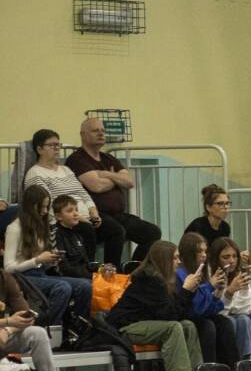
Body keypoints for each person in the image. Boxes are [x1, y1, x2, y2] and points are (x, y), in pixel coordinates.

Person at [106, 241, 208, 371]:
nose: (179, 262)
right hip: (127, 327)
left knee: (188, 325)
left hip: (146, 324)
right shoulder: (150, 280)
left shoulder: (163, 279)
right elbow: (169, 316)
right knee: (173, 327)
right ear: (164, 260)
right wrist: (186, 291)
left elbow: (177, 313)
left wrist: (189, 291)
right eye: (175, 258)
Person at [67, 116, 161, 267]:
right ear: (83, 135)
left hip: (118, 215)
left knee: (152, 232)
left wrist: (106, 174)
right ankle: (112, 273)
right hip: (96, 215)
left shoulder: (108, 158)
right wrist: (116, 178)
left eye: (103, 131)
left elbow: (129, 181)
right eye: (95, 130)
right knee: (117, 231)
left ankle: (133, 270)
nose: (101, 134)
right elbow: (96, 186)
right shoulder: (77, 159)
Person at [4, 185, 92, 331]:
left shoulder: (40, 226)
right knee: (62, 287)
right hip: (20, 277)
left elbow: (40, 263)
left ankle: (77, 329)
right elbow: (8, 268)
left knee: (86, 285)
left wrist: (50, 261)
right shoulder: (15, 228)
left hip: (39, 273)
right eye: (42, 207)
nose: (45, 211)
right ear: (32, 206)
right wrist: (38, 260)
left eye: (46, 207)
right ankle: (48, 329)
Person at [25, 130, 104, 252]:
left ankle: (113, 264)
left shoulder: (66, 170)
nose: (56, 148)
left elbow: (82, 193)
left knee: (115, 229)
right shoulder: (35, 173)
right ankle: (88, 264)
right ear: (39, 149)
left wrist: (94, 213)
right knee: (87, 229)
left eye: (58, 145)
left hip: (84, 217)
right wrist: (79, 217)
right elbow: (48, 205)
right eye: (51, 145)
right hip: (61, 221)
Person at [177, 233, 240, 367]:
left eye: (205, 251)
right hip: (185, 317)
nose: (204, 255)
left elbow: (209, 309)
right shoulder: (181, 273)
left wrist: (218, 293)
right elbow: (195, 308)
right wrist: (210, 285)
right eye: (199, 251)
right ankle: (209, 370)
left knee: (224, 322)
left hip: (198, 315)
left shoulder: (201, 272)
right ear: (189, 253)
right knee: (208, 326)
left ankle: (232, 369)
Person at [210, 237, 251, 359]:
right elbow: (219, 312)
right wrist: (229, 292)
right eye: (226, 257)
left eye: (235, 256)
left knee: (244, 319)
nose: (231, 261)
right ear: (216, 258)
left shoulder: (238, 274)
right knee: (230, 321)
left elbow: (246, 310)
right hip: (215, 319)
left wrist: (244, 289)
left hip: (234, 316)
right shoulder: (211, 276)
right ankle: (232, 362)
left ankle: (246, 361)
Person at [0, 272, 54, 371]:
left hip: (4, 334)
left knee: (38, 333)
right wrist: (7, 322)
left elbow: (27, 316)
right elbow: (9, 321)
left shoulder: (4, 278)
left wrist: (8, 330)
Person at [50, 195, 98, 278]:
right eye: (70, 211)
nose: (75, 214)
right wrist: (91, 276)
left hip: (82, 275)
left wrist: (100, 268)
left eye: (76, 210)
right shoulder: (56, 235)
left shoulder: (77, 234)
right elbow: (64, 269)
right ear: (58, 216)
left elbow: (86, 263)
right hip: (68, 278)